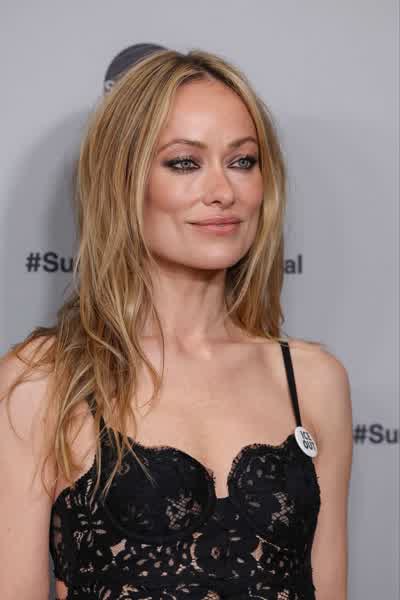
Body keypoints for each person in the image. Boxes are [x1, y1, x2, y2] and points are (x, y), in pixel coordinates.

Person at [0, 49, 353, 600]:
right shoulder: (44, 380)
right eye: (185, 163)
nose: (223, 192)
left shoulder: (312, 380)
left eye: (243, 161)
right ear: (123, 181)